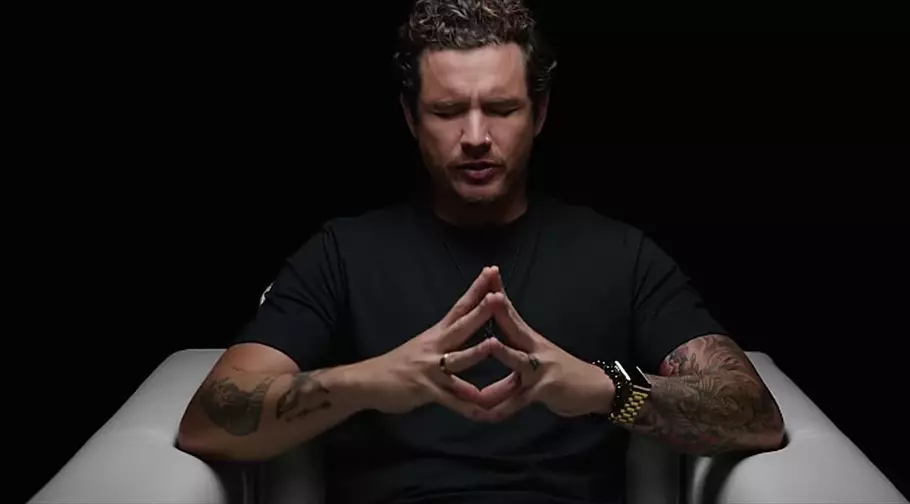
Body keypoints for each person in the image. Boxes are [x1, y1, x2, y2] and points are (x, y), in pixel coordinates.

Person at [176, 1, 786, 502]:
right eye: (447, 111)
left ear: (539, 113)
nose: (474, 137)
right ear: (411, 118)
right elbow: (207, 420)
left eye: (501, 108)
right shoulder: (342, 254)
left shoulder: (622, 256)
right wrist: (368, 383)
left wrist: (605, 388)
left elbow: (756, 413)